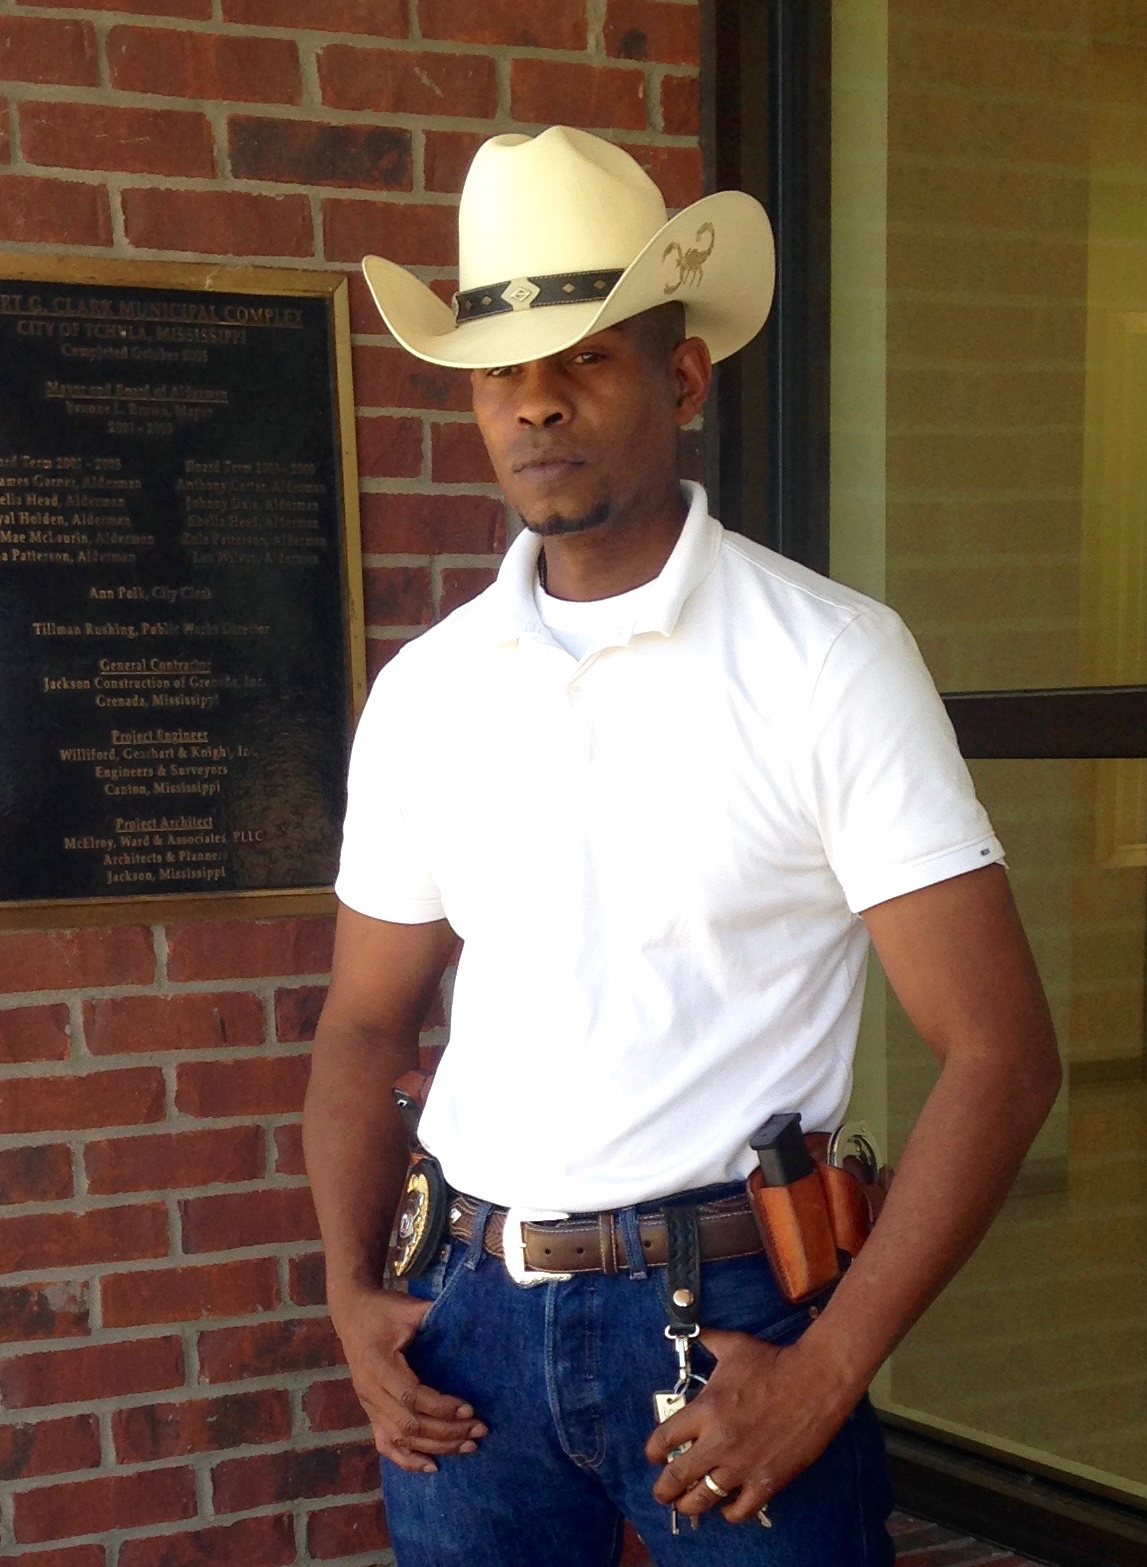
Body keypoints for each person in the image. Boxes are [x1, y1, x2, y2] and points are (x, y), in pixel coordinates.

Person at [303, 125, 1061, 1566]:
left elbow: (1001, 1053)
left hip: (731, 1325)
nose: (537, 402)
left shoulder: (827, 662)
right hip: (465, 1326)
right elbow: (362, 1024)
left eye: (586, 357)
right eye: (501, 372)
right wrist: (350, 1290)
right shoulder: (428, 692)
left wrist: (827, 1373)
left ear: (684, 376)